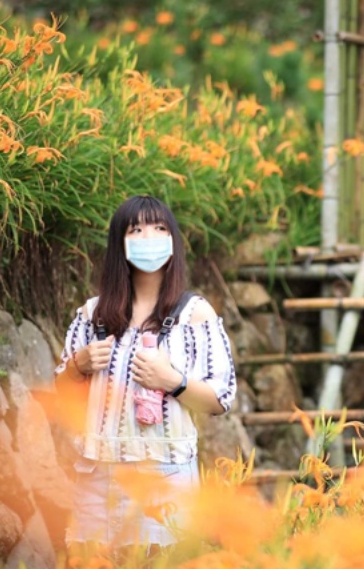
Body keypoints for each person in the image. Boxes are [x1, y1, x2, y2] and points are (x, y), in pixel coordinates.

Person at [54, 195, 236, 549]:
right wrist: (80, 365)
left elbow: (220, 398)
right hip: (96, 479)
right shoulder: (93, 315)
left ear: (173, 241)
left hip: (164, 480)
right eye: (136, 230)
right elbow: (60, 390)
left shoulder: (195, 315)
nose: (149, 237)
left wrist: (174, 382)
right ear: (119, 244)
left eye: (159, 228)